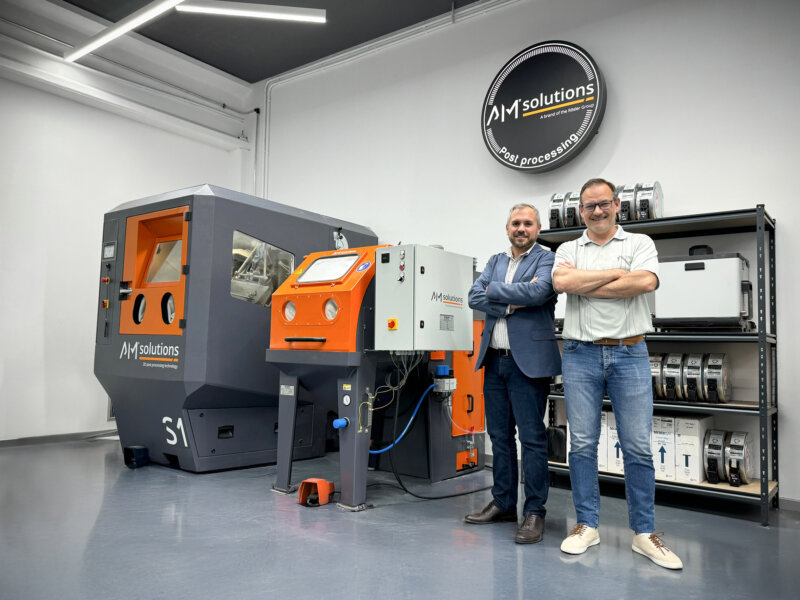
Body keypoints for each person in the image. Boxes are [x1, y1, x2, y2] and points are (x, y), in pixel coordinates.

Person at [552, 178, 682, 570]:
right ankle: (586, 525)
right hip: (579, 354)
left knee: (638, 446)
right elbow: (562, 282)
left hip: (630, 352)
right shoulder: (568, 249)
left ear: (617, 204)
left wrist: (587, 282)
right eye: (589, 206)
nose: (597, 211)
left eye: (603, 203)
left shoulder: (640, 243)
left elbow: (645, 282)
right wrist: (617, 275)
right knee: (582, 444)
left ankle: (644, 533)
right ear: (581, 211)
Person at [465, 203, 561, 544]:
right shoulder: (495, 261)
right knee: (499, 437)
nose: (521, 228)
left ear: (538, 229)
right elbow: (473, 296)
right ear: (508, 229)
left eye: (528, 223)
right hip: (494, 360)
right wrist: (510, 303)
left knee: (532, 439)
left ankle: (534, 511)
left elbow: (539, 292)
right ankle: (504, 503)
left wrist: (495, 291)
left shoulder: (548, 259)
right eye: (516, 223)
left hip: (529, 363)